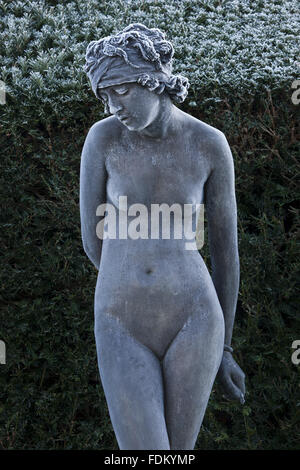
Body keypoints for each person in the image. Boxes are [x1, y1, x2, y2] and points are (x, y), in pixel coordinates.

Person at [81, 23, 245, 450]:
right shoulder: (103, 140)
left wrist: (225, 347)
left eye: (121, 89)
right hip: (120, 318)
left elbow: (226, 254)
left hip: (195, 318)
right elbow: (91, 238)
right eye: (105, 95)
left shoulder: (209, 144)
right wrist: (131, 279)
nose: (113, 105)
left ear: (154, 81)